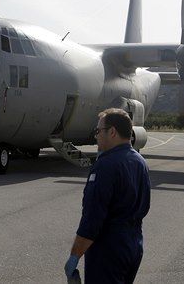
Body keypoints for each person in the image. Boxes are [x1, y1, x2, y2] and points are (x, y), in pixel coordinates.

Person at [64, 108, 151, 284]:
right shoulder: (140, 162)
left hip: (109, 250)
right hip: (134, 244)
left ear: (112, 132)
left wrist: (74, 256)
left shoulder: (106, 165)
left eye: (98, 131)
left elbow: (92, 220)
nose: (96, 136)